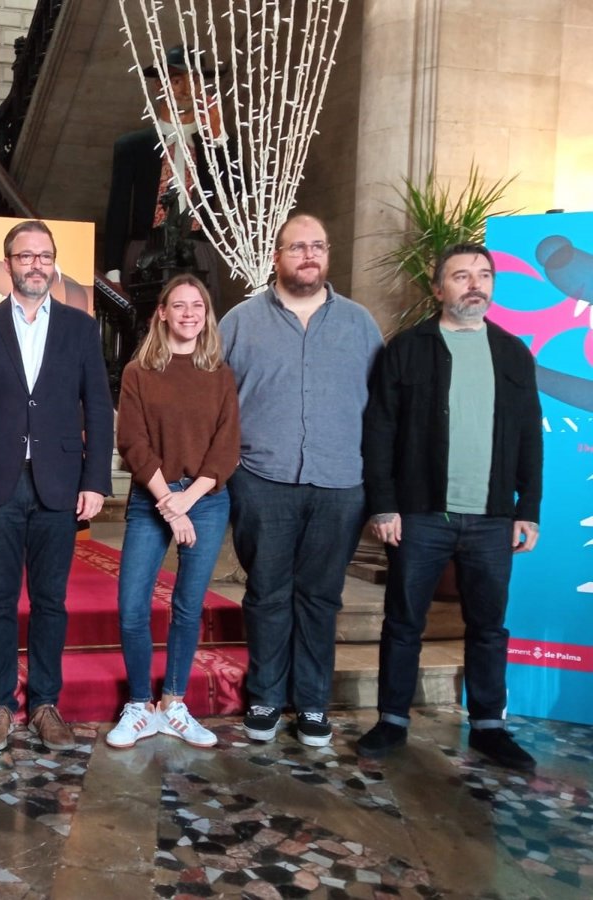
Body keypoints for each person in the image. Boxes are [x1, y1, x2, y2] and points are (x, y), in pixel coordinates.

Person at [358, 243, 542, 772]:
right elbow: (379, 430)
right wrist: (384, 505)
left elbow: (530, 436)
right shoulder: (407, 348)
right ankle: (392, 719)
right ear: (439, 289)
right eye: (461, 276)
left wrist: (528, 508)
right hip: (420, 515)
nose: (474, 284)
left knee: (489, 627)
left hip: (492, 518)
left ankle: (489, 726)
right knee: (403, 622)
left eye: (484, 275)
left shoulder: (512, 353)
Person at [0, 220, 115, 752]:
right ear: (8, 265)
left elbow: (99, 408)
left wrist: (96, 479)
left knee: (50, 600)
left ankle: (44, 704)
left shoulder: (80, 327)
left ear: (53, 263)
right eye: (26, 256)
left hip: (59, 483)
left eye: (44, 256)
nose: (36, 265)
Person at [220, 214, 383, 747]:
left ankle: (312, 703)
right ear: (277, 257)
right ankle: (266, 696)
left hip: (340, 482)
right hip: (262, 479)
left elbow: (383, 408)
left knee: (321, 596)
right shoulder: (241, 321)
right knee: (267, 593)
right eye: (297, 247)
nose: (309, 255)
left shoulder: (359, 323)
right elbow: (213, 400)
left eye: (318, 246)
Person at [107, 274, 240, 749]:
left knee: (187, 606)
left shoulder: (219, 374)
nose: (188, 314)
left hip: (205, 500)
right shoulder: (139, 372)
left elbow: (227, 447)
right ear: (161, 313)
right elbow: (133, 443)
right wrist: (170, 502)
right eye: (179, 305)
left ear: (206, 315)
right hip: (152, 497)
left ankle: (174, 703)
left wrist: (188, 500)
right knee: (131, 606)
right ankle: (140, 706)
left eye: (197, 306)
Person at [103, 45, 232, 300]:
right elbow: (118, 211)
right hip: (145, 249)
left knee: (198, 317)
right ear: (159, 86)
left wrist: (219, 138)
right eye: (176, 80)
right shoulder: (133, 146)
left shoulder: (215, 146)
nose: (186, 90)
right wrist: (113, 271)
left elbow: (236, 192)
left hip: (198, 249)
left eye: (194, 81)